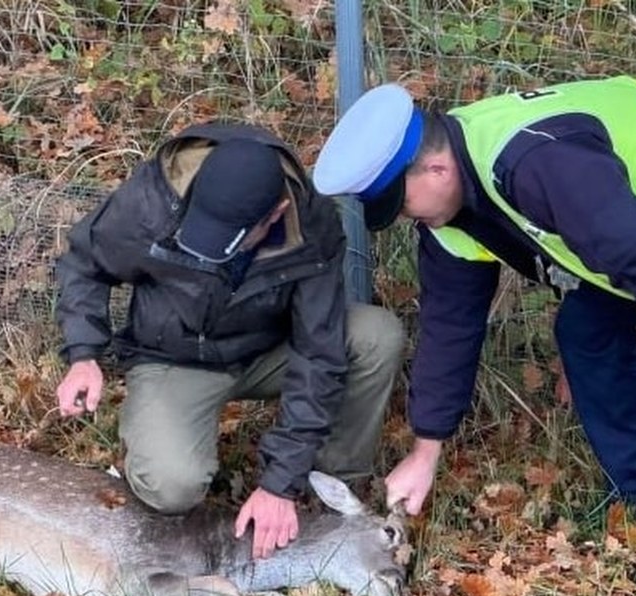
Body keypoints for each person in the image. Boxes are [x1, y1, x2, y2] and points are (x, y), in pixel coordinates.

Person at [311, 76, 636, 594]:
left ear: (437, 168)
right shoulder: (454, 204)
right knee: (585, 330)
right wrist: (426, 450)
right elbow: (450, 324)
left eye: (401, 202)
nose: (403, 217)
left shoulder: (538, 165)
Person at [54, 123, 404, 561]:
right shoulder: (152, 201)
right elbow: (84, 263)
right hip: (175, 357)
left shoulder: (312, 227)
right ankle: (160, 446)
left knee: (376, 335)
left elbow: (319, 353)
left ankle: (328, 488)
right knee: (171, 486)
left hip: (269, 351)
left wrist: (281, 482)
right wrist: (84, 354)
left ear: (275, 213)